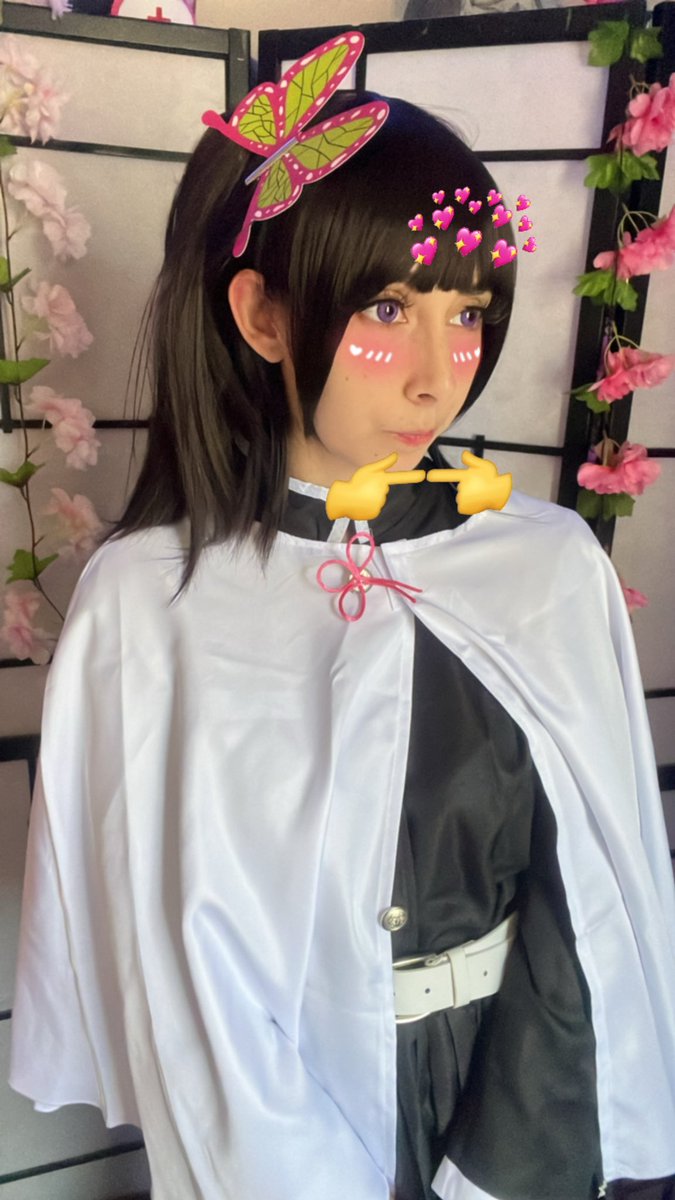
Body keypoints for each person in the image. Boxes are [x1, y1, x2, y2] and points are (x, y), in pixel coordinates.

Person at [9, 36, 675, 1200]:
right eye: (386, 308)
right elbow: (172, 957)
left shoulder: (546, 569)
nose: (438, 375)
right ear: (263, 314)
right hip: (254, 1128)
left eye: (467, 313)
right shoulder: (149, 605)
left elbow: (587, 903)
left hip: (512, 1101)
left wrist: (505, 1168)